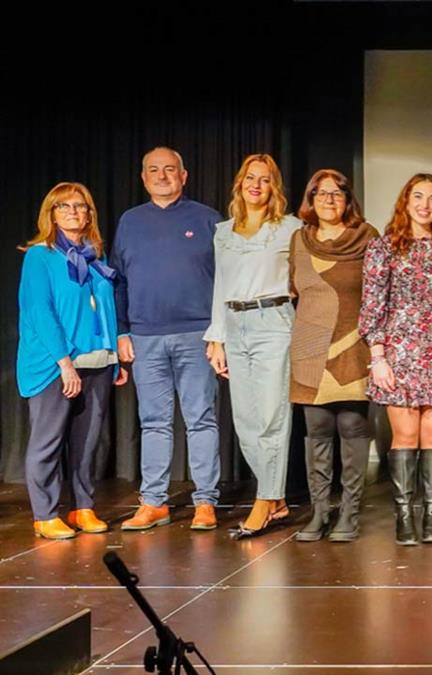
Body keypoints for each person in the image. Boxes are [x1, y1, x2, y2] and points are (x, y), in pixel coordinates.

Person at [112, 147, 223, 532]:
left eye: (169, 169)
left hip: (198, 335)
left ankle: (206, 501)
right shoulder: (129, 221)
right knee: (154, 422)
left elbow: (225, 281)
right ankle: (154, 501)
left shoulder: (208, 219)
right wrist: (122, 331)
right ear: (143, 178)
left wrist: (218, 335)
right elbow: (119, 282)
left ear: (184, 175)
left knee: (201, 420)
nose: (162, 175)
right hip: (145, 337)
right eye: (154, 170)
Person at [359, 173, 432, 546]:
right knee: (405, 436)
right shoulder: (384, 246)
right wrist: (378, 357)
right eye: (418, 196)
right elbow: (373, 304)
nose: (425, 204)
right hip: (400, 351)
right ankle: (405, 515)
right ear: (405, 201)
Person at [18, 183, 129, 539]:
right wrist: (65, 362)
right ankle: (45, 514)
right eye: (63, 206)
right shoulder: (40, 256)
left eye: (80, 206)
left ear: (89, 213)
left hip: (96, 360)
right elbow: (39, 311)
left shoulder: (96, 256)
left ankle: (83, 507)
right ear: (50, 214)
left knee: (86, 444)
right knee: (48, 440)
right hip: (56, 363)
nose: (72, 212)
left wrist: (114, 359)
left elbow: (106, 310)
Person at [205, 154, 303, 539]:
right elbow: (220, 288)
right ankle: (276, 500)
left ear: (274, 186)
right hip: (234, 321)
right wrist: (216, 337)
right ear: (240, 183)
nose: (256, 184)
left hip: (273, 321)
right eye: (250, 177)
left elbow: (305, 276)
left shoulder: (290, 229)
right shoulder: (223, 232)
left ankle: (265, 499)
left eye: (264, 179)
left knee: (271, 416)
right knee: (245, 421)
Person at [289, 170, 377, 543]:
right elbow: (294, 290)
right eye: (321, 193)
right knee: (317, 430)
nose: (329, 199)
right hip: (311, 348)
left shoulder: (367, 237)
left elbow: (378, 290)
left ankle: (350, 513)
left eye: (337, 193)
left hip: (354, 343)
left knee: (352, 428)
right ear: (310, 199)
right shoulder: (300, 239)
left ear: (347, 200)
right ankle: (320, 511)